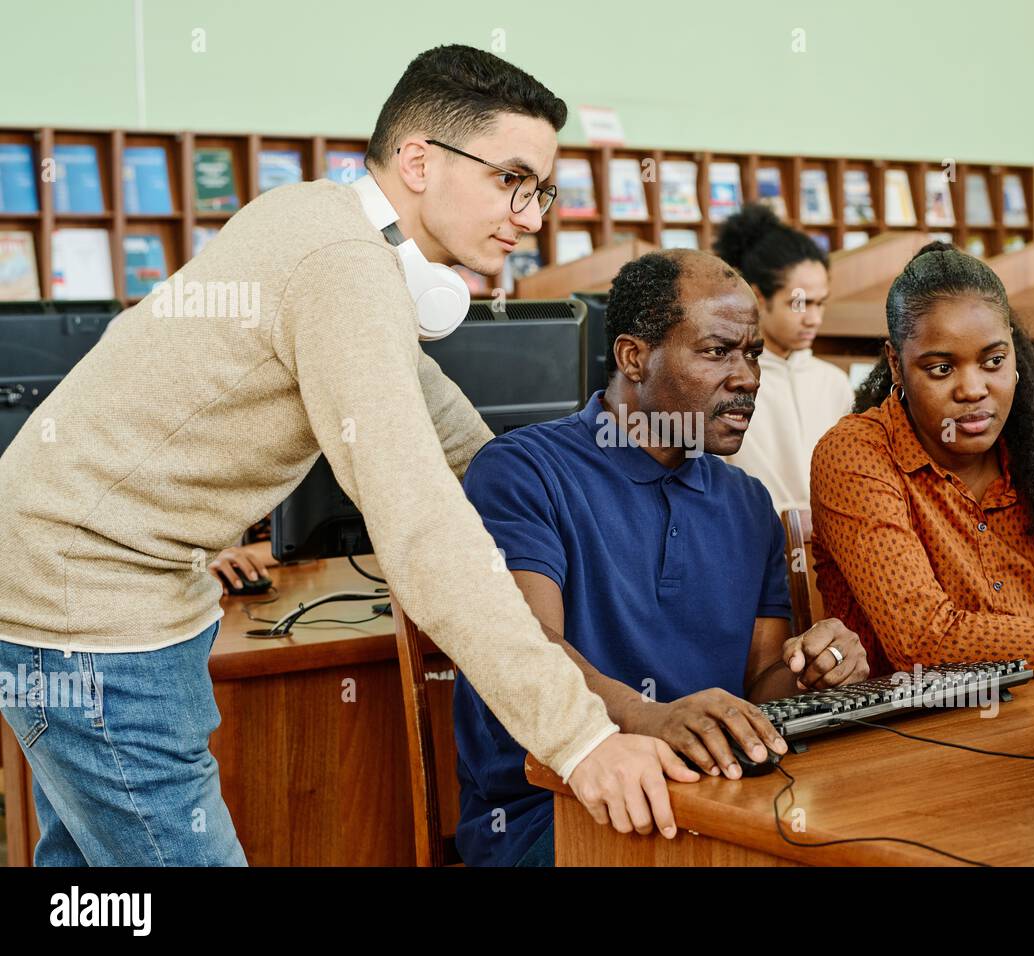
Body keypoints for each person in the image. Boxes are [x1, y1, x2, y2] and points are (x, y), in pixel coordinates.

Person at [0, 45, 690, 867]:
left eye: (540, 189)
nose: (531, 214)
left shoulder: (325, 227)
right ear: (419, 161)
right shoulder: (342, 270)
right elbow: (420, 528)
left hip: (81, 587)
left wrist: (570, 502)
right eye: (511, 179)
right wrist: (580, 740)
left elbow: (456, 437)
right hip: (87, 607)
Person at [454, 249, 869, 865]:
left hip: (715, 800)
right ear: (633, 357)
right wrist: (649, 718)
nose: (748, 377)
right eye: (716, 351)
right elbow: (527, 646)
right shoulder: (523, 471)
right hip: (560, 808)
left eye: (752, 353)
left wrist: (811, 670)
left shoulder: (746, 500)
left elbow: (761, 686)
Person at [809, 241, 1034, 679]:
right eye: (941, 369)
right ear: (896, 364)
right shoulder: (855, 453)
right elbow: (924, 641)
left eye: (994, 361)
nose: (972, 389)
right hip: (909, 737)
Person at [714, 203, 853, 513]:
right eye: (800, 304)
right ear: (759, 298)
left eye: (821, 304)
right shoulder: (723, 381)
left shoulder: (834, 383)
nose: (813, 318)